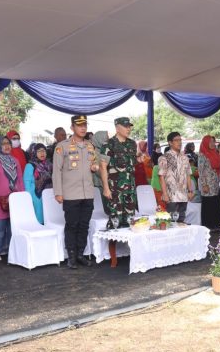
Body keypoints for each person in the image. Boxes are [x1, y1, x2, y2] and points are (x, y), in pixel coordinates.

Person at [53, 115, 99, 269]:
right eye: (79, 125)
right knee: (72, 225)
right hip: (71, 193)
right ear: (72, 127)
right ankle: (71, 256)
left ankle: (80, 254)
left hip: (88, 193)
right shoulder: (62, 146)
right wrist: (58, 192)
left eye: (85, 125)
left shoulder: (90, 146)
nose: (83, 128)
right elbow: (56, 171)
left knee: (84, 225)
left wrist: (95, 167)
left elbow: (94, 163)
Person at [0, 136, 24, 261]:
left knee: (11, 225)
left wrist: (23, 197)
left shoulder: (15, 160)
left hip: (14, 198)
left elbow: (20, 181)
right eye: (4, 144)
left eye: (9, 144)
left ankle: (7, 248)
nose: (7, 146)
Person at [100, 117, 137, 228]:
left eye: (129, 126)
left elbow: (131, 164)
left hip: (130, 189)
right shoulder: (108, 145)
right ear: (117, 128)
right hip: (115, 190)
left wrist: (139, 160)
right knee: (115, 220)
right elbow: (102, 167)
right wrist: (106, 188)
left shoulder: (132, 144)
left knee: (130, 221)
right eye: (125, 126)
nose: (128, 129)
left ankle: (129, 245)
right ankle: (113, 245)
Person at [158, 132, 194, 222]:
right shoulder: (164, 157)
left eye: (180, 140)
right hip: (171, 196)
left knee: (181, 220)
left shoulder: (185, 157)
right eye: (176, 140)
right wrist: (165, 194)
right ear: (170, 142)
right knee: (170, 221)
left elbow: (188, 175)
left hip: (183, 195)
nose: (179, 142)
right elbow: (161, 177)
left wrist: (190, 191)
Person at [198, 135, 220, 231]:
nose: (213, 144)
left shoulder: (215, 153)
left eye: (214, 141)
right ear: (206, 142)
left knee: (215, 203)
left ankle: (216, 224)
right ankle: (208, 226)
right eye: (211, 142)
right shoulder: (202, 155)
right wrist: (204, 184)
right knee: (208, 204)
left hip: (215, 183)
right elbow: (200, 170)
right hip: (207, 183)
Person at [24, 143, 53, 223]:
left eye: (43, 150)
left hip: (49, 196)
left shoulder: (49, 165)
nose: (42, 153)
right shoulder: (30, 166)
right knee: (39, 219)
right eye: (39, 151)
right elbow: (27, 183)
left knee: (49, 219)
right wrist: (30, 199)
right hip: (36, 197)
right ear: (34, 153)